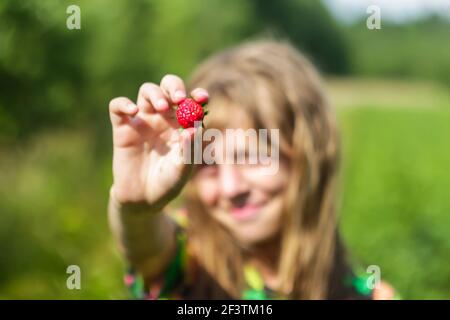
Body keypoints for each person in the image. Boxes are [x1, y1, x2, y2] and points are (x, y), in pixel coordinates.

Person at [108, 40, 395, 299]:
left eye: (253, 156)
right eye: (207, 162)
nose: (232, 188)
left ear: (312, 154)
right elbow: (146, 249)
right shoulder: (191, 264)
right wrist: (137, 210)